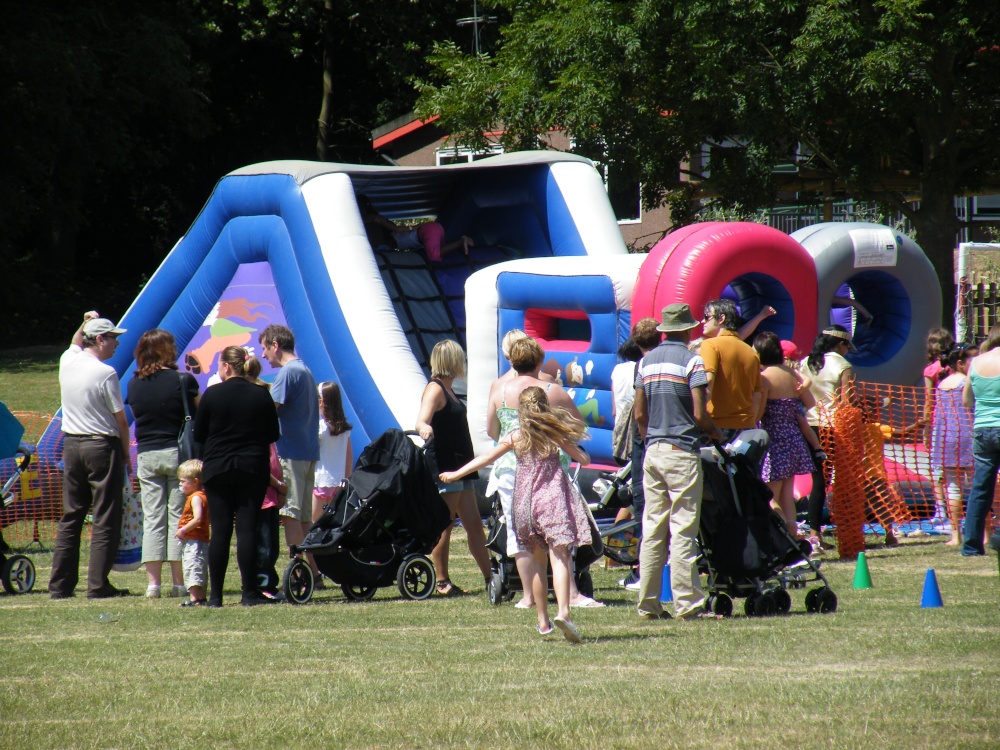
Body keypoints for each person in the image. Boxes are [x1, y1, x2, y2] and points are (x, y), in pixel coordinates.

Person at [442, 386, 592, 643]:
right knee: (560, 557)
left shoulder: (515, 436)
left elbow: (485, 459)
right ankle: (564, 613)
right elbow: (584, 460)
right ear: (545, 408)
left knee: (536, 562)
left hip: (524, 504)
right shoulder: (553, 434)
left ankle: (543, 621)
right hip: (552, 499)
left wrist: (456, 474)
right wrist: (577, 450)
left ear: (520, 412)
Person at [484, 336, 601, 608]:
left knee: (518, 531)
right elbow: (578, 425)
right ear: (539, 361)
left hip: (510, 468)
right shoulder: (551, 390)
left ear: (511, 360)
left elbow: (492, 431)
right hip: (547, 468)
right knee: (558, 530)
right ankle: (569, 593)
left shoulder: (499, 389)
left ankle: (528, 596)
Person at [633, 304, 722, 621]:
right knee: (683, 530)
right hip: (682, 451)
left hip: (653, 451)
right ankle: (688, 604)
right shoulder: (692, 361)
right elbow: (700, 413)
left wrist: (648, 438)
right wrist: (715, 433)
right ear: (687, 329)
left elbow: (639, 413)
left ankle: (648, 604)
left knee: (653, 531)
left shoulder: (646, 362)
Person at [49, 312, 132, 600]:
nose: (117, 345)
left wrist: (84, 321)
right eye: (113, 339)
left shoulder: (67, 361)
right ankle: (97, 585)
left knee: (71, 516)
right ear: (99, 340)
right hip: (101, 446)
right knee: (105, 516)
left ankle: (60, 585)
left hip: (71, 445)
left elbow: (75, 341)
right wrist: (125, 454)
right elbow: (120, 420)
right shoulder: (105, 373)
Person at [193, 346, 281, 606]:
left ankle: (216, 596)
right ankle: (249, 592)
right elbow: (273, 434)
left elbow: (199, 435)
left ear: (226, 367)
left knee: (219, 531)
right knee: (247, 531)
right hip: (251, 468)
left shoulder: (212, 394)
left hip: (217, 468)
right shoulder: (261, 395)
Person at [125, 328, 201, 599]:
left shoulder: (133, 384)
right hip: (177, 454)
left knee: (153, 519)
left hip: (146, 455)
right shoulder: (183, 380)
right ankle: (179, 583)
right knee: (178, 517)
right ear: (167, 350)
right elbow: (199, 414)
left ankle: (153, 584)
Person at [416, 339, 492, 594]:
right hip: (446, 466)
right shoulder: (435, 389)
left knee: (473, 525)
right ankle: (442, 581)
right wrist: (425, 428)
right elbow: (421, 420)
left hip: (462, 465)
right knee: (445, 525)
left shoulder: (449, 389)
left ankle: (491, 578)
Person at [259, 325, 320, 560]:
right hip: (307, 452)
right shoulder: (304, 369)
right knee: (304, 517)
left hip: (290, 453)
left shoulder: (287, 373)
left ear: (275, 345)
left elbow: (268, 411)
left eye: (265, 348)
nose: (263, 355)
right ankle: (313, 571)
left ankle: (297, 569)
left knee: (290, 514)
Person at [753, 332, 817, 536]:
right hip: (794, 440)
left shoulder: (764, 378)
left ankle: (782, 536)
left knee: (769, 495)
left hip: (774, 442)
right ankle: (793, 534)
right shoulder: (792, 374)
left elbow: (759, 412)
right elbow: (810, 403)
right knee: (787, 496)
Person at [803, 325, 856, 555]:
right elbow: (847, 402)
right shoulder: (844, 366)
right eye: (847, 346)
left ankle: (814, 534)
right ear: (841, 344)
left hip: (807, 425)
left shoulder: (806, 362)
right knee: (824, 481)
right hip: (832, 427)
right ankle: (817, 534)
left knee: (817, 478)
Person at [244, 357, 288, 599]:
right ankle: (263, 584)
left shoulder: (268, 440)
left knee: (270, 543)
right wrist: (280, 486)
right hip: (265, 492)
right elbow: (265, 468)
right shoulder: (260, 439)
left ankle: (267, 580)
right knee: (264, 543)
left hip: (270, 493)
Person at [930, 345, 976, 545]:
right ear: (959, 362)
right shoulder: (968, 382)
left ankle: (955, 535)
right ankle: (983, 533)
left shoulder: (941, 384)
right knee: (978, 487)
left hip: (946, 439)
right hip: (969, 437)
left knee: (953, 489)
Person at [961, 324, 1000, 557]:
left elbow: (967, 400)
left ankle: (971, 546)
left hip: (982, 430)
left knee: (980, 490)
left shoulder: (975, 362)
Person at [699, 298, 763, 440]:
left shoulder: (711, 345)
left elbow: (708, 381)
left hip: (717, 425)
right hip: (746, 427)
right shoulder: (751, 351)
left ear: (721, 318)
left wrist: (699, 416)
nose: (703, 322)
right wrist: (751, 421)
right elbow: (757, 394)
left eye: (706, 317)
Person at [357, 194, 473, 262]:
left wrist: (416, 226)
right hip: (434, 228)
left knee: (434, 256)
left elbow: (398, 229)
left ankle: (461, 241)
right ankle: (464, 244)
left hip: (428, 230)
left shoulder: (386, 230)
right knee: (441, 252)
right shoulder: (394, 240)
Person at [175, 459, 210, 607]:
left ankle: (195, 598)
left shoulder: (196, 497)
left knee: (193, 566)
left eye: (183, 481)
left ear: (195, 481)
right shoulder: (200, 495)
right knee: (199, 567)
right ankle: (201, 598)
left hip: (194, 539)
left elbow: (198, 518)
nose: (180, 485)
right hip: (198, 539)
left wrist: (183, 530)